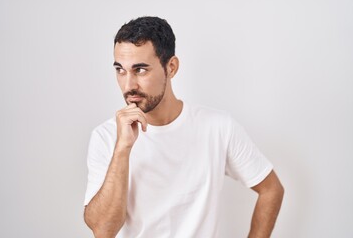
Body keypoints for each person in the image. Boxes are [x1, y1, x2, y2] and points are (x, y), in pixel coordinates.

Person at [83, 16, 284, 238]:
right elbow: (103, 230)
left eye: (140, 70)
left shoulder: (217, 127)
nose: (129, 85)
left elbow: (271, 190)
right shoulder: (106, 136)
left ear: (171, 67)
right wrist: (122, 149)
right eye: (120, 70)